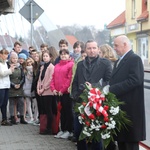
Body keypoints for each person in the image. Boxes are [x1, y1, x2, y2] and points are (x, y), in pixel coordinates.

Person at [72, 40, 112, 150]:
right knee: (78, 132)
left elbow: (108, 82)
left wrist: (93, 87)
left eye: (94, 48)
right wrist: (75, 95)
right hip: (80, 102)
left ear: (98, 49)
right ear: (85, 50)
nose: (92, 50)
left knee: (96, 135)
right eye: (89, 48)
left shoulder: (105, 63)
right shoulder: (80, 64)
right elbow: (75, 82)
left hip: (97, 104)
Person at [109, 35, 146, 150]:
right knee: (122, 142)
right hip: (120, 109)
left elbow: (135, 80)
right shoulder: (118, 61)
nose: (114, 48)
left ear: (125, 44)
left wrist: (111, 89)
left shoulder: (134, 59)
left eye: (116, 45)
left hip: (131, 110)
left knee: (130, 144)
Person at [50, 49, 74, 139]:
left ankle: (69, 130)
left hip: (66, 93)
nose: (63, 56)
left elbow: (69, 79)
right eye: (62, 54)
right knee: (61, 112)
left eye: (65, 54)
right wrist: (53, 89)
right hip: (58, 93)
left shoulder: (70, 65)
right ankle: (63, 129)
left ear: (69, 55)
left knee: (68, 112)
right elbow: (53, 78)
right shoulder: (57, 65)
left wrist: (62, 90)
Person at [37, 50, 57, 134]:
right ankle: (44, 126)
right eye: (44, 56)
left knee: (49, 110)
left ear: (50, 57)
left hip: (48, 92)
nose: (45, 57)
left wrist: (43, 88)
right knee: (44, 110)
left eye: (46, 56)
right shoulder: (42, 66)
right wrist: (38, 88)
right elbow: (39, 78)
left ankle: (49, 128)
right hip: (41, 92)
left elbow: (50, 79)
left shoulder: (51, 67)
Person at [8, 51, 28, 124]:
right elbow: (8, 78)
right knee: (12, 103)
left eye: (16, 58)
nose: (15, 59)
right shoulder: (8, 66)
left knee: (21, 102)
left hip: (19, 87)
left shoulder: (20, 67)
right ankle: (12, 117)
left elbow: (23, 77)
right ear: (11, 59)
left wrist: (20, 84)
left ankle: (22, 117)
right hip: (11, 87)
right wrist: (13, 85)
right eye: (13, 58)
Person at [0, 49, 15, 126]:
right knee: (1, 102)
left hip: (6, 85)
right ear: (0, 55)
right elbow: (2, 73)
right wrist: (10, 70)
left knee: (5, 103)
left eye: (7, 54)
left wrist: (10, 69)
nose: (6, 56)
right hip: (1, 86)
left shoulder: (5, 63)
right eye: (5, 54)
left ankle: (4, 119)